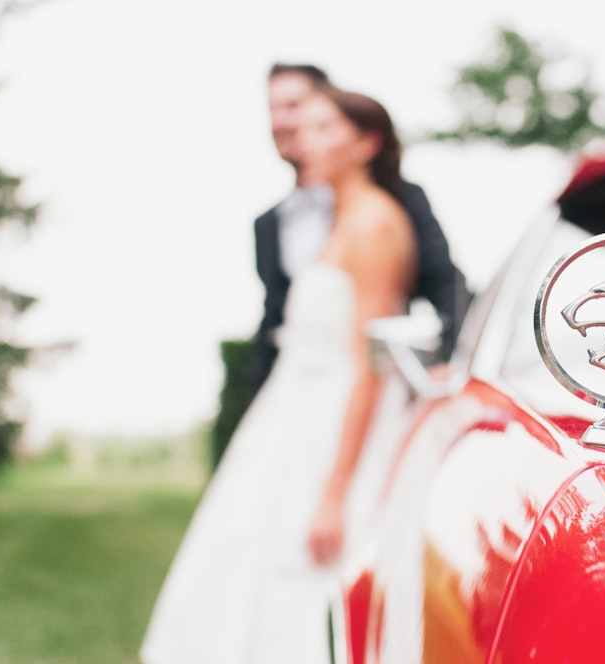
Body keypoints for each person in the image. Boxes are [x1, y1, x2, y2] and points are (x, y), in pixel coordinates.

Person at [139, 84, 418, 663]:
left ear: (366, 143)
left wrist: (335, 492)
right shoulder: (342, 219)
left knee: (303, 569)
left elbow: (371, 362)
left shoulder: (374, 225)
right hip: (292, 419)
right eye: (300, 127)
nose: (302, 140)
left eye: (321, 129)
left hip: (332, 428)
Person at [251, 62, 469, 398]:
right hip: (294, 390)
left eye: (294, 106)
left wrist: (455, 361)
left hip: (359, 389)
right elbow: (276, 319)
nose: (284, 122)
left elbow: (445, 284)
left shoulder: (394, 203)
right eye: (273, 109)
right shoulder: (268, 223)